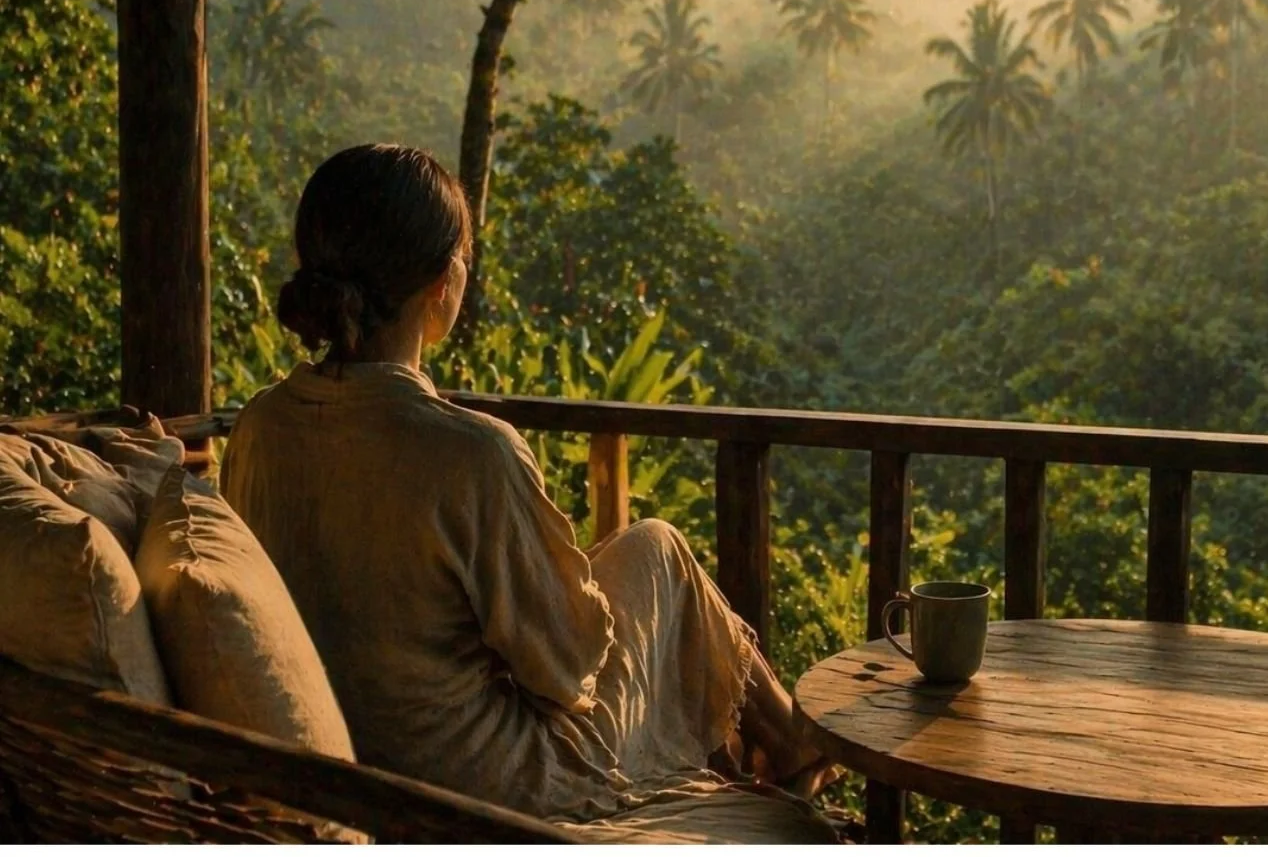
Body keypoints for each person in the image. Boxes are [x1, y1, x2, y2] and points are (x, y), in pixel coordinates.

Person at [221, 144, 836, 840]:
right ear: (441, 285)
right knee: (659, 550)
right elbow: (566, 668)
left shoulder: (259, 426)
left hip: (364, 762)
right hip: (497, 787)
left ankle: (786, 743)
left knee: (639, 551)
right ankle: (791, 746)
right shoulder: (468, 452)